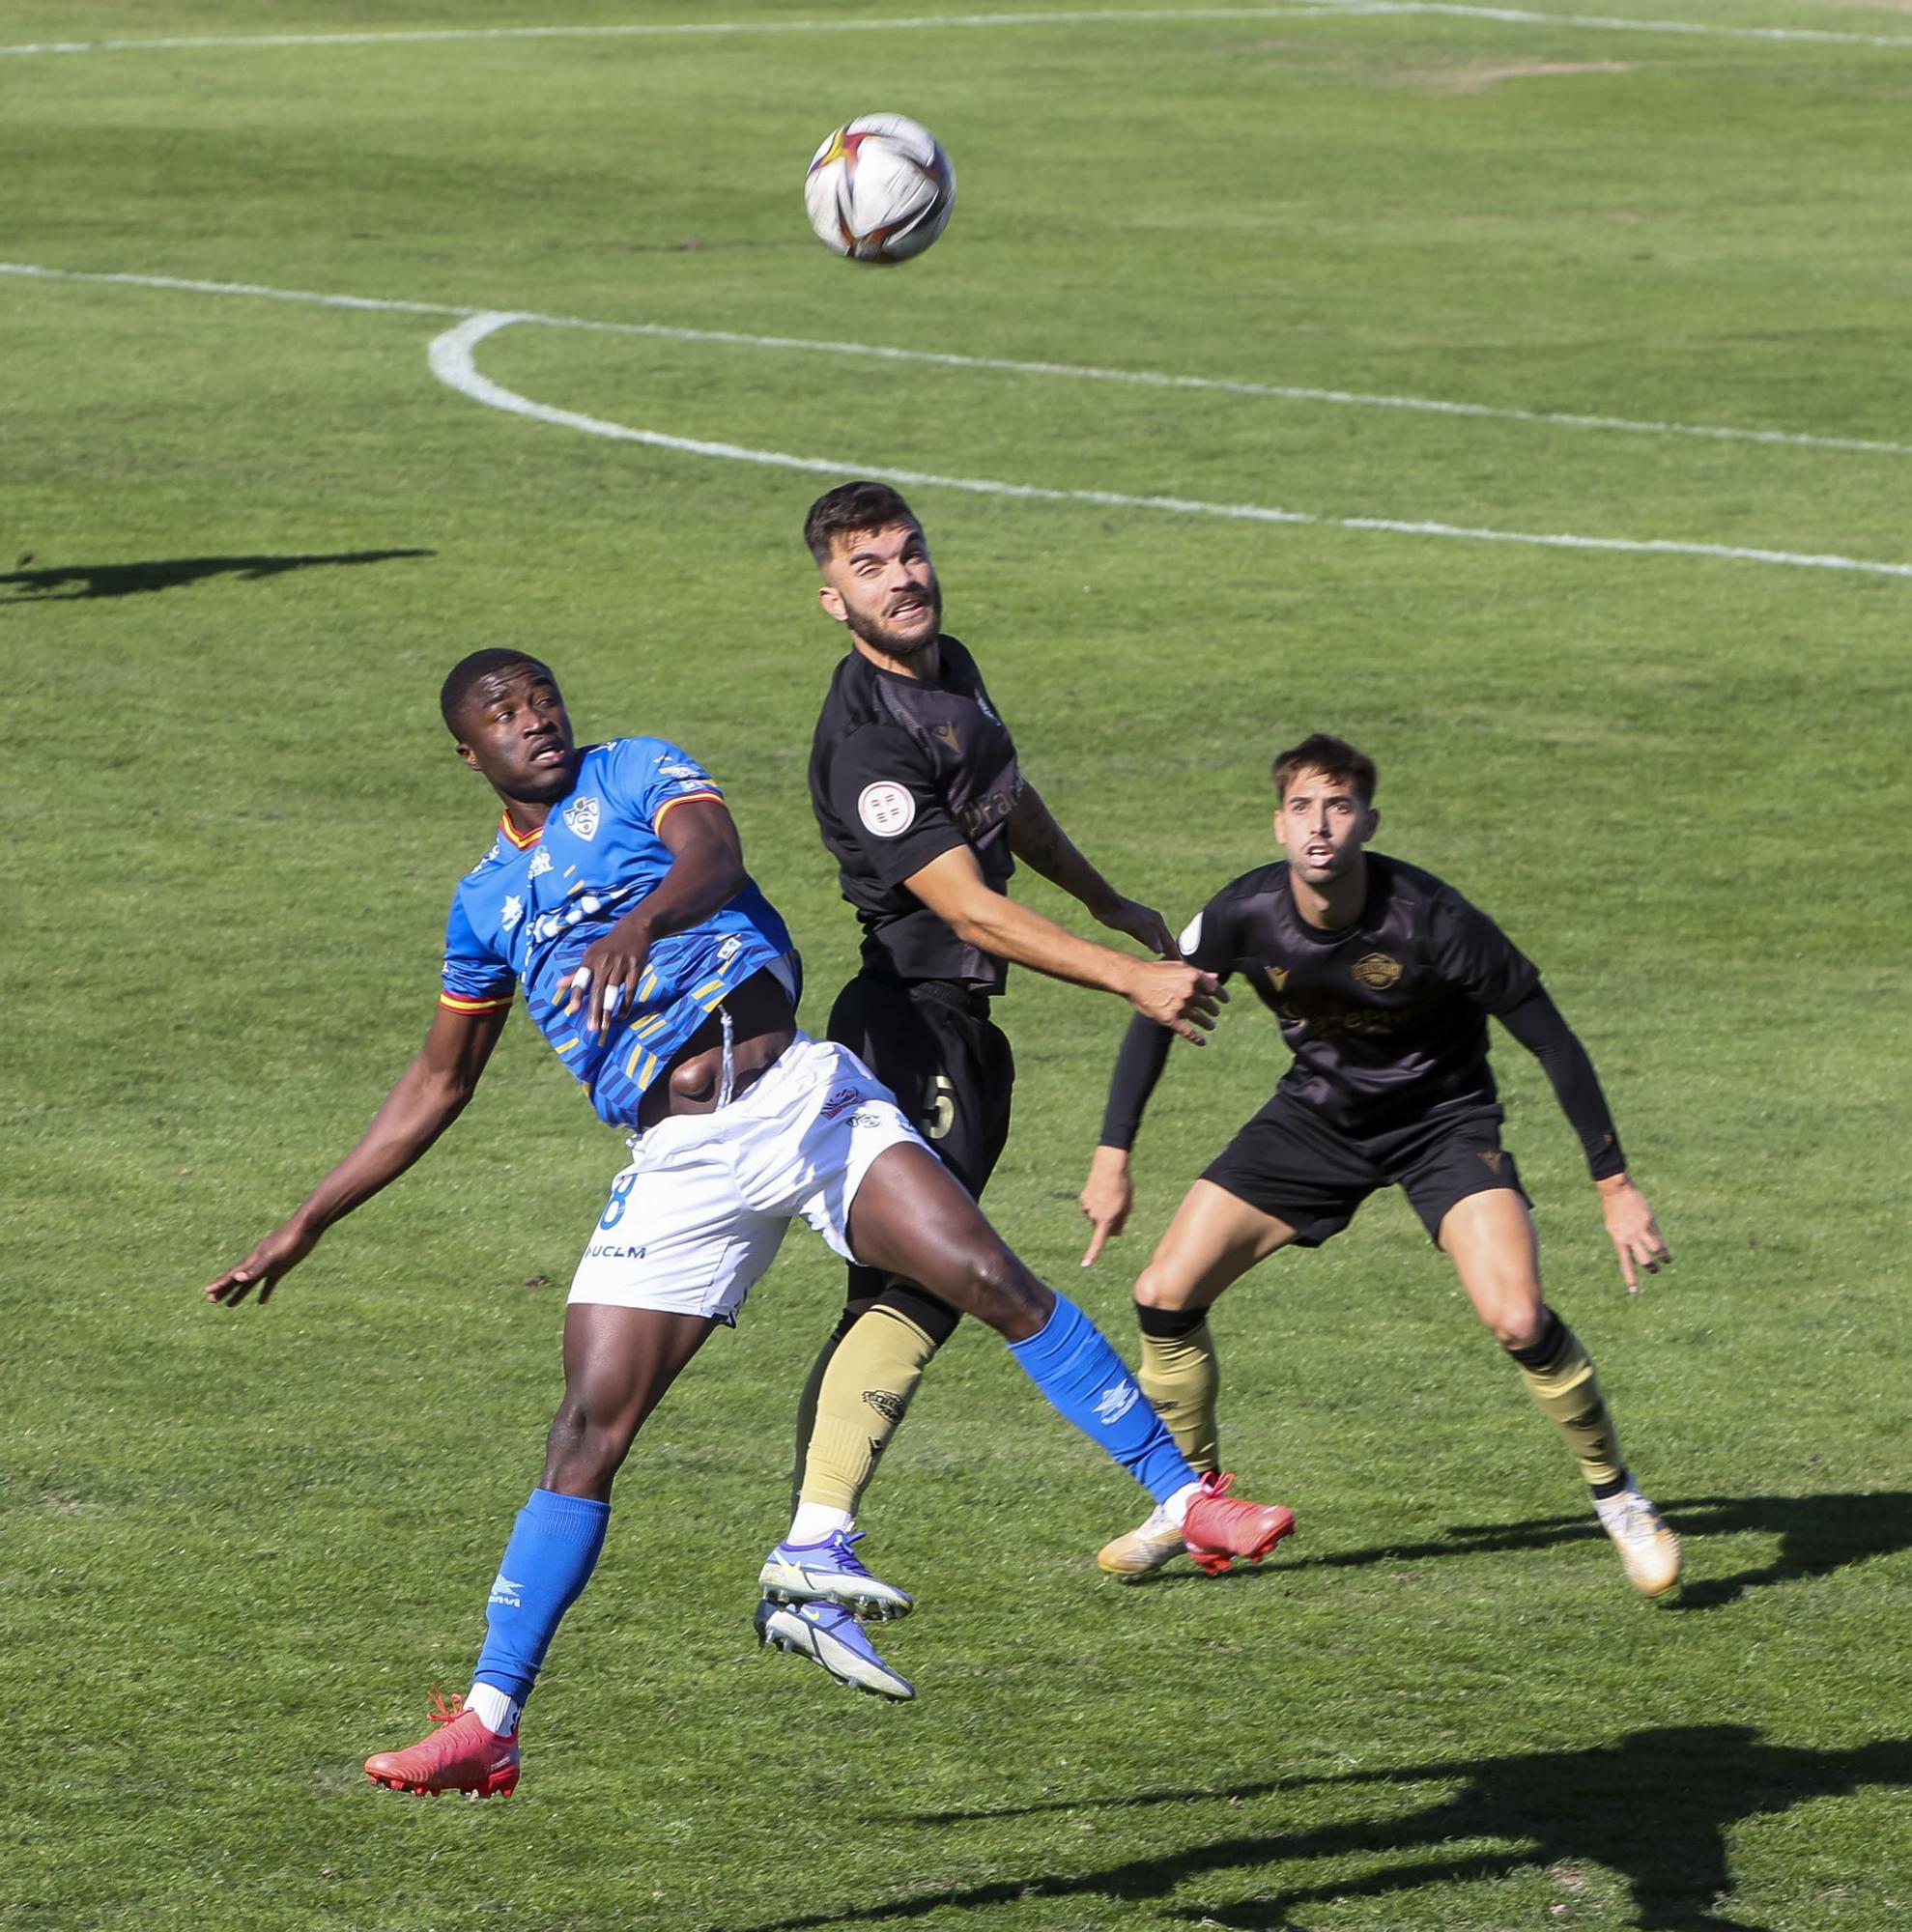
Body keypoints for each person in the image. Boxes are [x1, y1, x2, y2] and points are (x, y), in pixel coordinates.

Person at [203, 650, 1293, 1797]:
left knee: (985, 1273)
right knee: (585, 1431)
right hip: (676, 1158)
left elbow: (713, 855)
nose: (535, 720)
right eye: (502, 714)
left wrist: (642, 925)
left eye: (540, 698)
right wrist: (308, 1221)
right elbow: (436, 1083)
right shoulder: (485, 905)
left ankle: (1188, 1498)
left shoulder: (631, 772)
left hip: (795, 1096)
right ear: (467, 753)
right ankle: (490, 1720)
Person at [758, 481, 1283, 1692]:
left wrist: (1106, 897)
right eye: (869, 566)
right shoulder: (864, 742)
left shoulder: (950, 670)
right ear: (830, 597)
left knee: (919, 1301)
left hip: (964, 1039)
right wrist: (1128, 977)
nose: (901, 576)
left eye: (909, 552)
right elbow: (965, 902)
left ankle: (812, 1550)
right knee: (935, 1285)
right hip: (901, 1026)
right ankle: (1162, 1492)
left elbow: (1006, 801)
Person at [1077, 732, 1681, 1597]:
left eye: (1337, 806)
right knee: (1161, 1295)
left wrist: (1614, 1187)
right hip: (1317, 1119)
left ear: (1366, 820)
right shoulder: (1242, 912)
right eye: (1300, 808)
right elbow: (1156, 1005)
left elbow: (1550, 1038)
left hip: (1442, 1123)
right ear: (1278, 825)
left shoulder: (1434, 919)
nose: (1318, 826)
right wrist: (1112, 1155)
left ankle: (1619, 1500)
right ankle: (1190, 1504)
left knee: (1516, 1318)